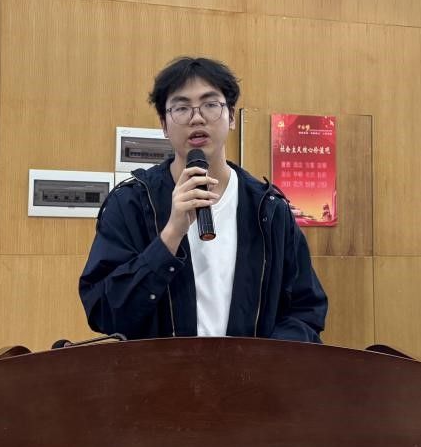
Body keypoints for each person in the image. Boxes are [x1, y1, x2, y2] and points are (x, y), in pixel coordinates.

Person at [79, 57, 327, 341]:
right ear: (164, 125)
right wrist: (170, 236)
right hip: (158, 369)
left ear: (231, 117)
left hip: (249, 369)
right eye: (181, 108)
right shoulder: (131, 203)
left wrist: (264, 360)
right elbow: (103, 311)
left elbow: (306, 309)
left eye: (210, 104)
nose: (196, 118)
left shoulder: (268, 209)